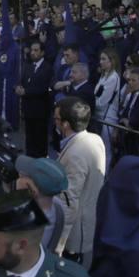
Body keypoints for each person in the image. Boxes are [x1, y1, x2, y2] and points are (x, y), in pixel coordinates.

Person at [54, 96, 105, 264]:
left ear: (66, 124)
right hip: (87, 217)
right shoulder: (94, 139)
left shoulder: (77, 153)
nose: (55, 122)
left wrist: (60, 241)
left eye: (57, 119)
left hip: (75, 231)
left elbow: (69, 200)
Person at [17, 40, 54, 157]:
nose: (32, 53)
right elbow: (20, 81)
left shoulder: (47, 68)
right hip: (27, 110)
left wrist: (26, 91)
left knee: (40, 140)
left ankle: (40, 164)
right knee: (29, 139)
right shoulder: (27, 66)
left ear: (42, 52)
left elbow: (44, 88)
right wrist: (17, 87)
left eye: (36, 50)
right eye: (32, 50)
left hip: (40, 111)